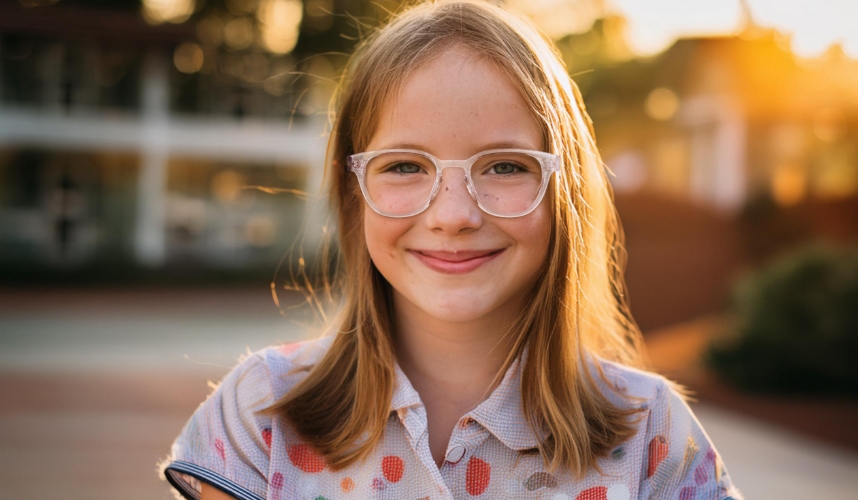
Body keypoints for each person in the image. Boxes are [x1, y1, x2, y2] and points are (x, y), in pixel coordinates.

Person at [159, 1, 743, 499]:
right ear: (354, 191)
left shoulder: (650, 432)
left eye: (506, 166)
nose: (454, 216)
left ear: (564, 193)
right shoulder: (263, 412)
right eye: (406, 165)